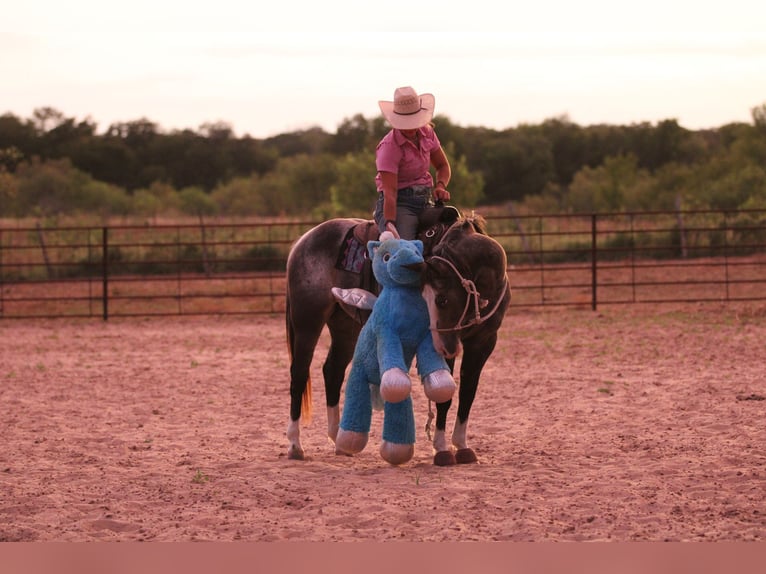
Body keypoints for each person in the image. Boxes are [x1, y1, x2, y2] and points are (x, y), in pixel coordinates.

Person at [373, 86, 452, 240]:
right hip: (398, 205)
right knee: (405, 250)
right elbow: (391, 193)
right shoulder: (389, 147)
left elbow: (442, 166)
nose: (409, 127)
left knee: (453, 236)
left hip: (425, 200)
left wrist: (441, 185)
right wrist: (390, 223)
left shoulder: (427, 133)